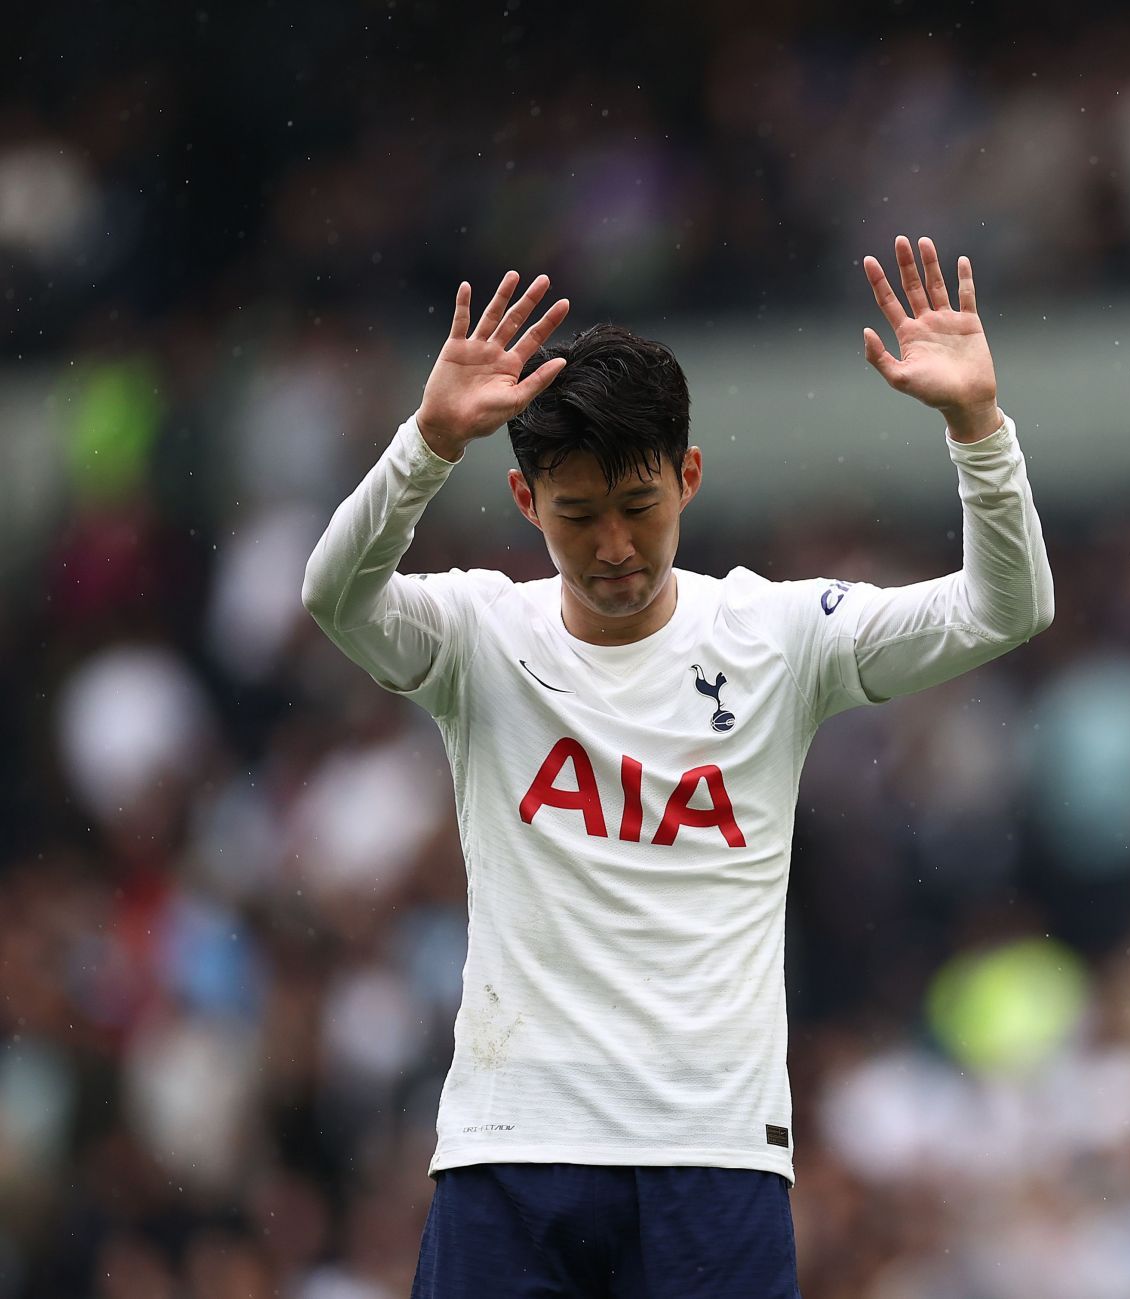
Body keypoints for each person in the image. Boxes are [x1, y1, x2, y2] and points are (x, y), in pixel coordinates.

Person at [299, 236, 1054, 1297]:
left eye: (638, 506)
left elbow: (1005, 609)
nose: (612, 544)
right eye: (577, 514)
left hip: (714, 1150)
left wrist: (978, 427)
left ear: (687, 478)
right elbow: (334, 597)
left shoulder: (780, 635)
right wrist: (426, 443)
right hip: (515, 1140)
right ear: (526, 503)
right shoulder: (479, 635)